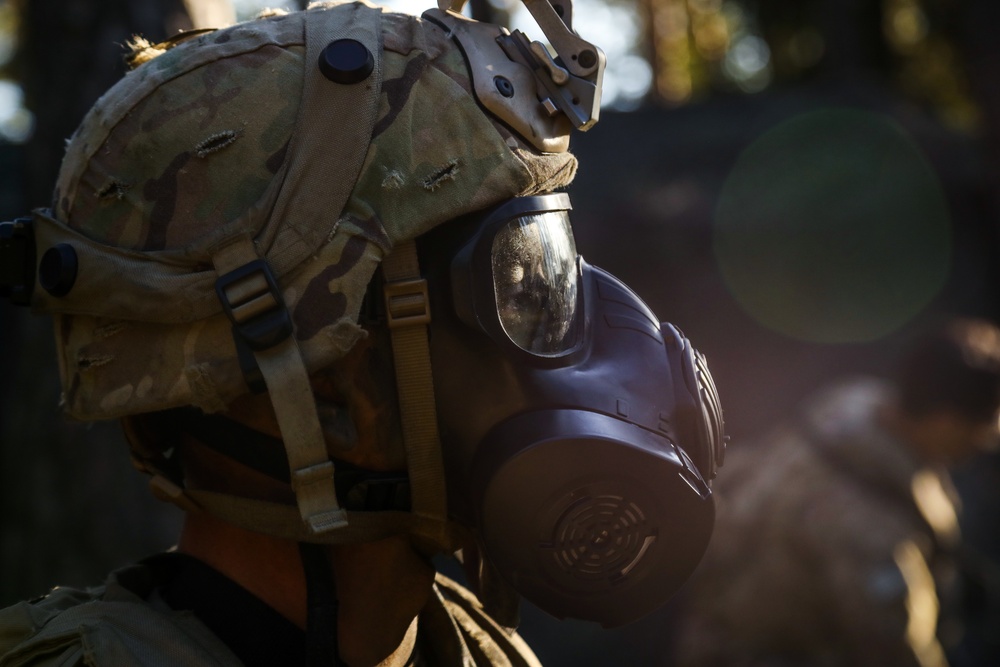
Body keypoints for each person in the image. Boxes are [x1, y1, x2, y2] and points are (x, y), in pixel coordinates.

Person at [0, 1, 727, 665]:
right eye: (516, 282)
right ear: (326, 395)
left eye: (553, 269)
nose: (569, 319)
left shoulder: (478, 649)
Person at [670, 318, 1000, 667]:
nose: (987, 440)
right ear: (945, 421)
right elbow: (898, 652)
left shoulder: (838, 418)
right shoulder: (872, 532)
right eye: (984, 425)